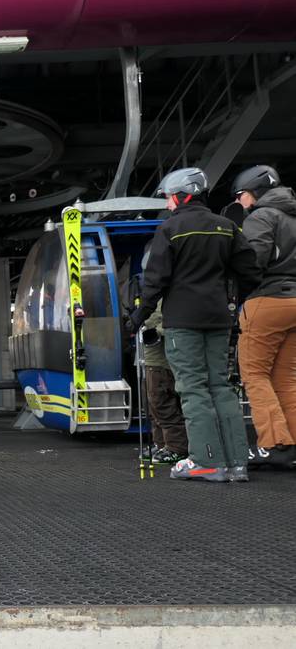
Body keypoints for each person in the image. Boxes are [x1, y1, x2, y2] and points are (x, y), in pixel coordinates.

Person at [129, 167, 260, 482]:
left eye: (168, 198)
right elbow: (251, 273)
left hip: (182, 322)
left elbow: (155, 282)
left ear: (181, 195)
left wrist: (136, 319)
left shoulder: (170, 229)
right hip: (219, 319)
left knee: (193, 389)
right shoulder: (227, 227)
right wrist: (230, 300)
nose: (167, 204)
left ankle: (206, 461)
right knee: (221, 387)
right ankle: (236, 462)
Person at [232, 165, 296, 469]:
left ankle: (273, 443)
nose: (239, 201)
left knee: (255, 375)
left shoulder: (260, 217)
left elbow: (252, 261)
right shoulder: (292, 215)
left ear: (253, 192)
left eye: (240, 195)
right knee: (286, 379)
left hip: (268, 299)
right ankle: (292, 444)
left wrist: (236, 288)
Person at [142, 302, 188, 464]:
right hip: (152, 354)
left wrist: (158, 330)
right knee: (154, 403)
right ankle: (162, 443)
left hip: (162, 355)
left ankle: (176, 447)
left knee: (162, 401)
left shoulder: (169, 293)